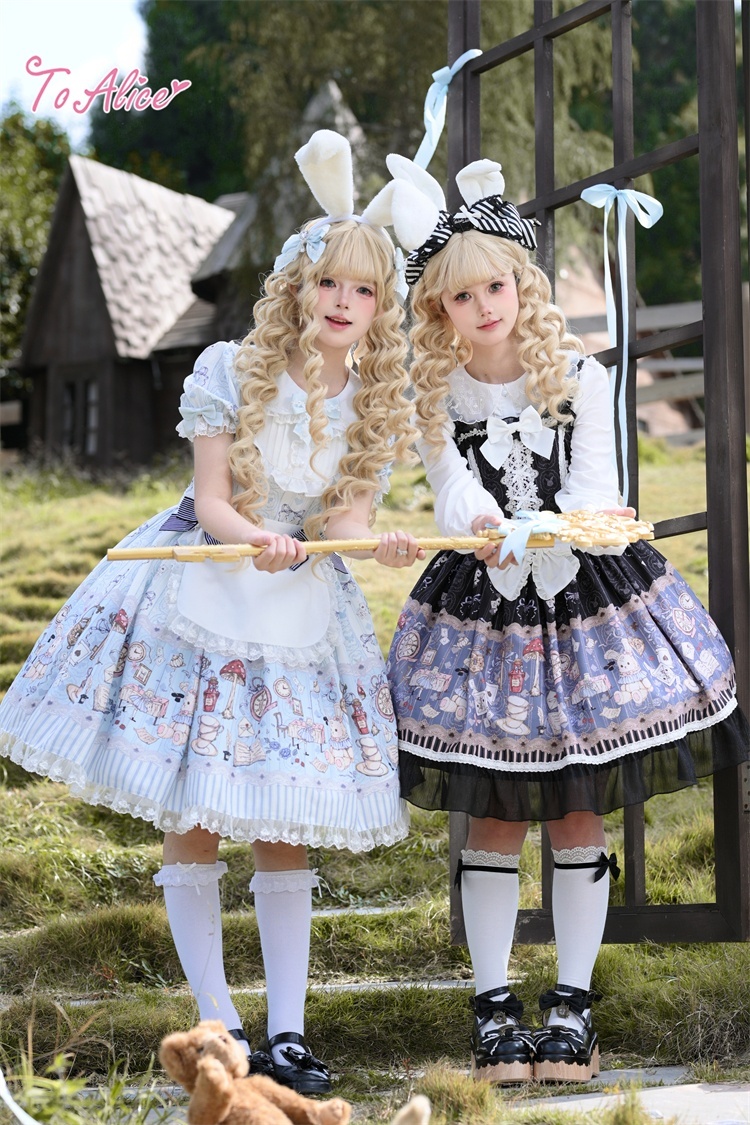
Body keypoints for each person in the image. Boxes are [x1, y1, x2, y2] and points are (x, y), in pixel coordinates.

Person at [0, 130, 425, 1094]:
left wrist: (378, 545)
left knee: (284, 819)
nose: (343, 302)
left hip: (302, 610)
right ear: (298, 286)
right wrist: (255, 537)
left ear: (380, 306)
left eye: (363, 290)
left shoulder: (373, 401)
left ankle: (289, 1033)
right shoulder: (230, 368)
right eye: (329, 282)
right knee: (197, 810)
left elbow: (346, 521)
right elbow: (214, 499)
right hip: (209, 584)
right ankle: (219, 1026)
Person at [377, 155, 750, 1084]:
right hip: (483, 608)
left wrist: (549, 525)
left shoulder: (578, 374)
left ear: (522, 284)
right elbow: (450, 488)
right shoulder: (437, 394)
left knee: (578, 803)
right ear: (439, 308)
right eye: (462, 296)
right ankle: (494, 1006)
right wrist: (483, 525)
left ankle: (572, 1006)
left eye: (495, 287)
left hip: (584, 599)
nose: (483, 307)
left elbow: (596, 487)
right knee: (495, 809)